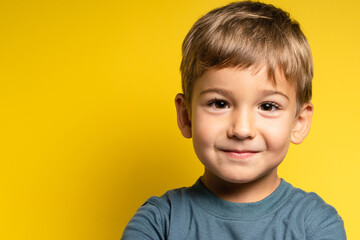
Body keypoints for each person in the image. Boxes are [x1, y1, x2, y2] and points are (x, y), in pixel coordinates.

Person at [121, 1, 346, 239]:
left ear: (298, 122)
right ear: (186, 116)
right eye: (219, 104)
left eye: (267, 106)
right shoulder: (158, 222)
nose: (242, 129)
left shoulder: (317, 225)